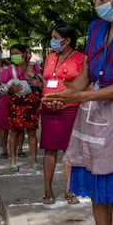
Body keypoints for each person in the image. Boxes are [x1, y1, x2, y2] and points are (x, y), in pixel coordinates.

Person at [42, 0, 113, 225]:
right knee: (97, 191)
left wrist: (81, 96)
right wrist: (67, 95)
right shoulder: (96, 27)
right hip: (92, 112)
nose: (96, 4)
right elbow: (87, 70)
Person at [40, 24, 84, 205]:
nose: (52, 41)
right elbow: (46, 79)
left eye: (55, 38)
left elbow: (83, 84)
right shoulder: (50, 57)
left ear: (66, 41)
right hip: (49, 109)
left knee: (69, 151)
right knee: (49, 149)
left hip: (69, 109)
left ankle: (69, 190)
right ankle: (47, 190)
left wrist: (66, 99)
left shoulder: (81, 58)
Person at [0, 44, 43, 172]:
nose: (14, 56)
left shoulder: (34, 68)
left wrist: (33, 77)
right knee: (14, 132)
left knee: (32, 132)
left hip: (31, 103)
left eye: (16, 53)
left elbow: (41, 84)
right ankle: (13, 161)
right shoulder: (8, 70)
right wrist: (10, 90)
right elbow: (2, 87)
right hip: (15, 103)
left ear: (24, 54)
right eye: (12, 54)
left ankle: (34, 160)